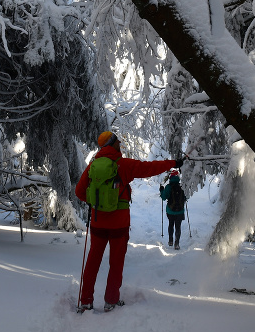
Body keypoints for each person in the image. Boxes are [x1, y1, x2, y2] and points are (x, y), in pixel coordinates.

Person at [75, 131, 182, 312]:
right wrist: (173, 163)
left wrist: (97, 203)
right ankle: (111, 301)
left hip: (98, 222)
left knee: (92, 261)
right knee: (116, 263)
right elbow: (149, 168)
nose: (121, 144)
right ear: (112, 144)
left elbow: (79, 191)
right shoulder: (123, 165)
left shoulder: (93, 166)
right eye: (118, 141)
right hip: (119, 224)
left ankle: (85, 301)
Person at [159, 168, 186, 249]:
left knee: (171, 224)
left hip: (170, 211)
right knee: (178, 226)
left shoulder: (168, 187)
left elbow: (163, 197)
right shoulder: (182, 186)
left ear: (170, 177)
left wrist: (161, 190)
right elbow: (185, 197)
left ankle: (170, 240)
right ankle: (177, 243)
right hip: (180, 211)